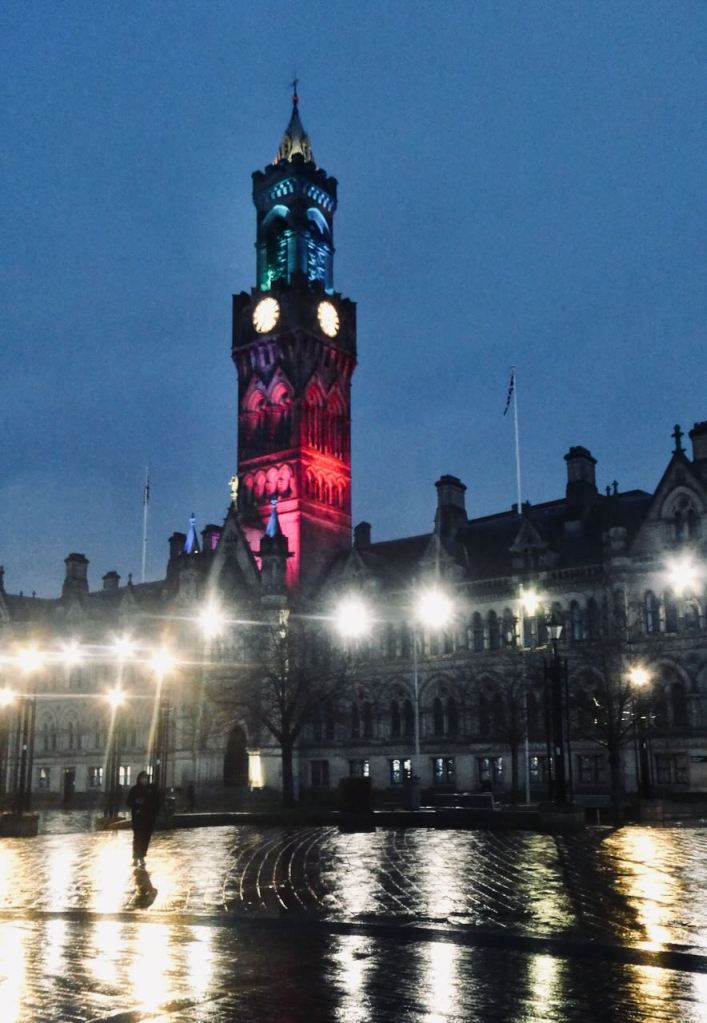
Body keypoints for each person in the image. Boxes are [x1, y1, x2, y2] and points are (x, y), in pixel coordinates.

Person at [126, 770, 160, 867]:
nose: (144, 780)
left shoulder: (152, 789)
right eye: (142, 778)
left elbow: (157, 802)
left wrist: (153, 811)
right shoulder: (134, 790)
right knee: (137, 837)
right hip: (138, 817)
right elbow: (128, 801)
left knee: (146, 838)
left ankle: (142, 856)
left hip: (149, 818)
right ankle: (136, 856)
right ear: (139, 779)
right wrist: (136, 804)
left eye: (145, 778)